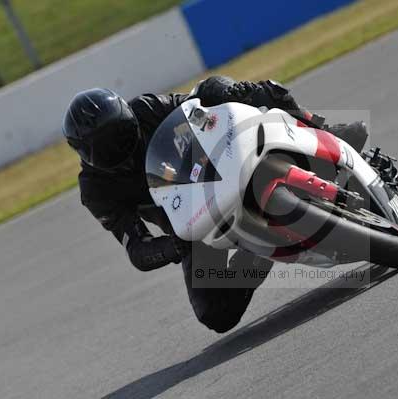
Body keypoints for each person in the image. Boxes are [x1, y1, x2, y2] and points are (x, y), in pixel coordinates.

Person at [62, 76, 369, 333]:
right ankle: (260, 252)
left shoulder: (146, 108)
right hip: (192, 226)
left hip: (221, 162)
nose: (119, 146)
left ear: (128, 115)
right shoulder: (97, 190)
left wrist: (229, 93)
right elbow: (137, 249)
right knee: (216, 313)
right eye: (106, 146)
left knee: (235, 89)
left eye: (121, 132)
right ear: (84, 154)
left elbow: (196, 105)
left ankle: (324, 134)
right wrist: (171, 247)